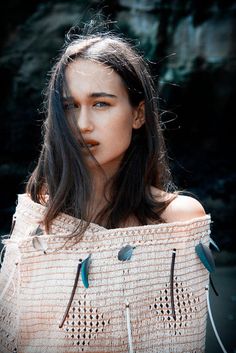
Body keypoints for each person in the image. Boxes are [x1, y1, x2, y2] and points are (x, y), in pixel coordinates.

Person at [0, 22, 211, 353]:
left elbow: (183, 341)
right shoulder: (39, 215)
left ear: (138, 114)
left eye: (101, 103)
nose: (82, 124)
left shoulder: (179, 220)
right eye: (70, 106)